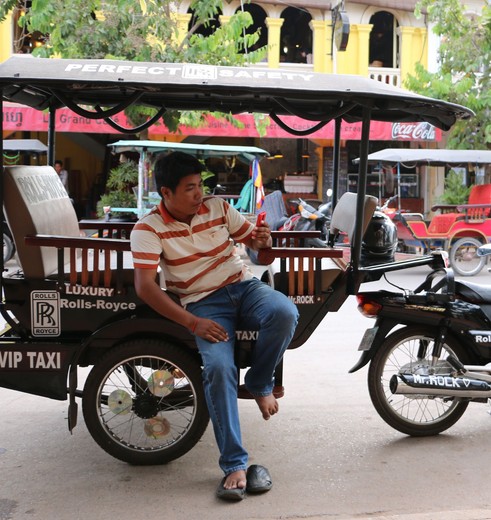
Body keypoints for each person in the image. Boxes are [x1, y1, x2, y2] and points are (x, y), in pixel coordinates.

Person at [130, 151, 299, 501]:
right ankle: (234, 464)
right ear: (166, 192)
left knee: (285, 312)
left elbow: (258, 249)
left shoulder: (218, 208)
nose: (199, 194)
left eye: (200, 186)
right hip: (203, 304)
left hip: (243, 286)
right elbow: (146, 287)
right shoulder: (148, 228)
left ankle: (258, 381)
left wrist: (264, 242)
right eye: (190, 188)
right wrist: (194, 322)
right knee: (220, 369)